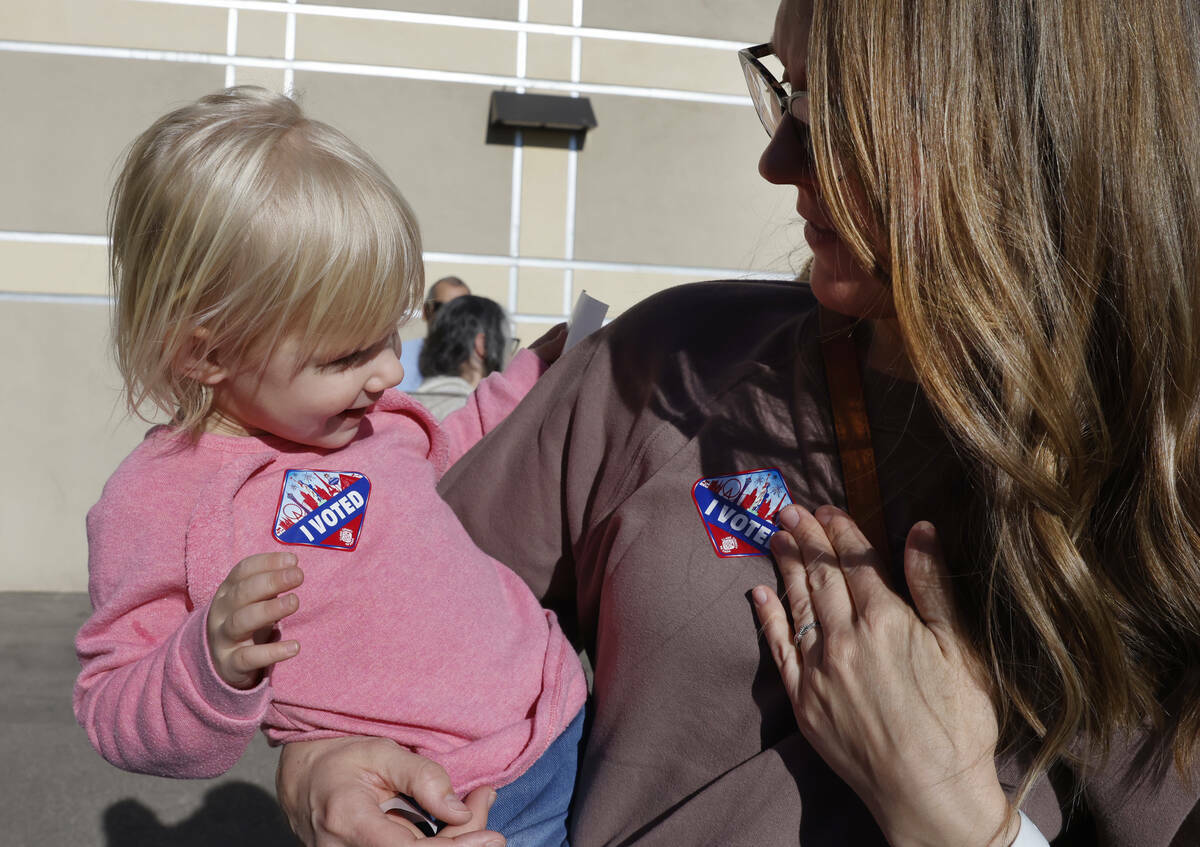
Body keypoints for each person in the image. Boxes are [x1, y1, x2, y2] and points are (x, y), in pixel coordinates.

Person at [274, 0, 1200, 843]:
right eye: (787, 92)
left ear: (1029, 129)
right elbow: (383, 617)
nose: (778, 160)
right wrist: (325, 762)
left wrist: (956, 814)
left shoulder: (1167, 487)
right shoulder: (660, 367)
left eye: (840, 112)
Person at [72, 88, 585, 845]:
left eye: (391, 335)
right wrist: (206, 658)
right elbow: (110, 702)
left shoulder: (368, 422)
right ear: (205, 352)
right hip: (433, 802)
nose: (386, 373)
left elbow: (459, 443)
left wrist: (534, 373)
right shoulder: (157, 497)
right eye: (347, 354)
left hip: (562, 709)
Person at [411, 295, 515, 421]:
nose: (512, 357)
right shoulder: (474, 414)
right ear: (482, 345)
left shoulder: (411, 404)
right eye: (508, 345)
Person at [397, 276, 471, 392]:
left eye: (461, 310)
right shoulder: (398, 355)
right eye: (443, 308)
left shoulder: (481, 360)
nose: (451, 318)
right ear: (426, 311)